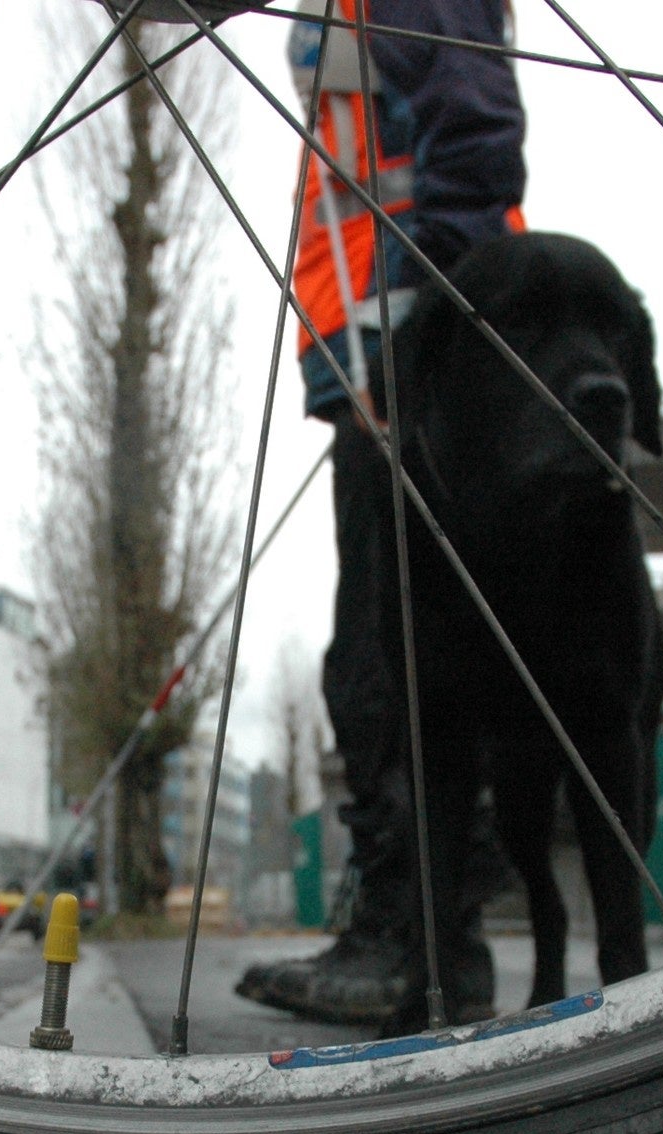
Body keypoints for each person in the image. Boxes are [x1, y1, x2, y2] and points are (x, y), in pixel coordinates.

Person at [238, 0, 527, 1027]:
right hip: (362, 333)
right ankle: (426, 935)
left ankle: (415, 941)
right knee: (385, 642)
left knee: (385, 652)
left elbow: (471, 109)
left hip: (403, 325)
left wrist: (428, 297)